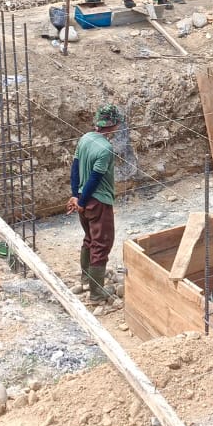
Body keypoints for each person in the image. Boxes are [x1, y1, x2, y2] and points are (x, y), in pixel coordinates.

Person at [67, 104, 122, 303]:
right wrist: (81, 201)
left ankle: (86, 278)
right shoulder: (106, 149)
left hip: (83, 199)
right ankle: (97, 294)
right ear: (114, 124)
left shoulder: (85, 138)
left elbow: (75, 169)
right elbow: (95, 179)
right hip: (98, 202)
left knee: (89, 238)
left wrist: (76, 196)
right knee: (102, 244)